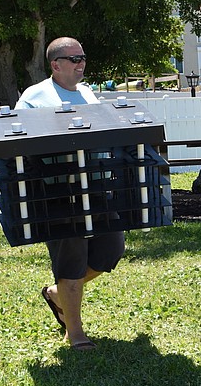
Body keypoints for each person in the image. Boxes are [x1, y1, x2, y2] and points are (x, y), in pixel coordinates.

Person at [14, 37, 125, 351]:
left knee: (110, 250)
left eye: (83, 58)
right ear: (55, 64)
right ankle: (75, 333)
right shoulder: (35, 96)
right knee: (72, 260)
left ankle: (55, 294)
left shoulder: (88, 92)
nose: (81, 63)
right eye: (74, 59)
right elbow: (21, 141)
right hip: (59, 192)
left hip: (96, 186)